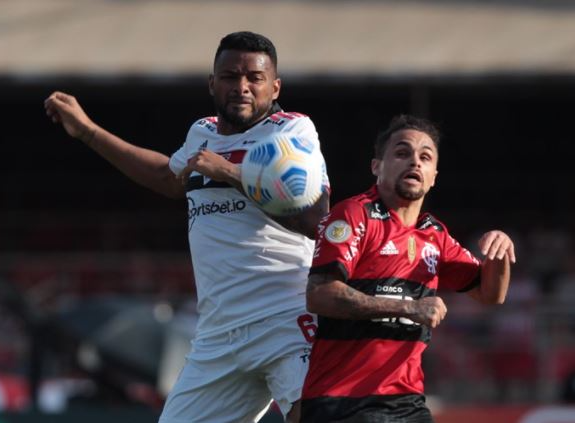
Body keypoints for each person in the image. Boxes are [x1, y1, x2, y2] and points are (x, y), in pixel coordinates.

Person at [44, 31, 329, 423]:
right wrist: (89, 131)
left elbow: (316, 219)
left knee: (314, 416)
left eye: (254, 78)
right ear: (213, 83)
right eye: (230, 76)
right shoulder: (203, 132)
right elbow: (168, 177)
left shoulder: (291, 133)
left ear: (274, 86)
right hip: (218, 333)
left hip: (284, 318)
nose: (242, 87)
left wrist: (229, 172)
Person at [301, 115, 515, 422]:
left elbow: (490, 294)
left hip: (406, 401)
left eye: (425, 157)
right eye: (402, 153)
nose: (415, 161)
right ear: (377, 166)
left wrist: (500, 252)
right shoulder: (354, 214)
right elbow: (319, 294)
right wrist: (409, 308)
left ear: (433, 176)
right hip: (342, 400)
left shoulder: (435, 234)